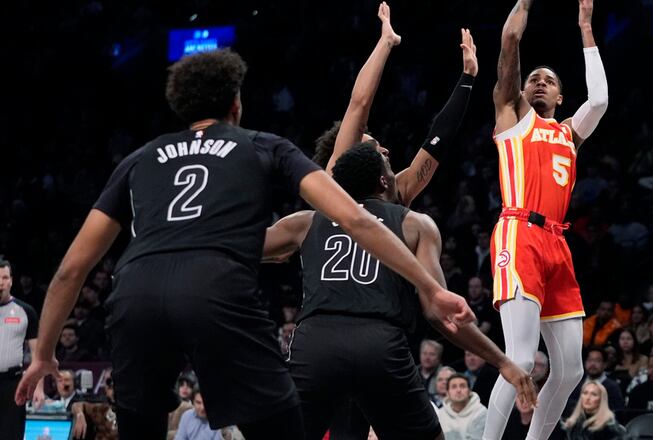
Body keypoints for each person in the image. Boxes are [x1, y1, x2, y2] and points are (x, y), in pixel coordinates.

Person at [14, 48, 473, 440]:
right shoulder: (263, 146)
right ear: (236, 104)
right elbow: (352, 217)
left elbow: (72, 269)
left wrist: (43, 353)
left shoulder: (139, 158)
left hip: (135, 293)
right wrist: (428, 286)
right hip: (222, 292)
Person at [264, 143, 535, 439]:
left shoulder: (305, 221)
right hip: (378, 345)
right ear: (383, 181)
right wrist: (503, 362)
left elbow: (237, 245)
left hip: (315, 345)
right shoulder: (415, 224)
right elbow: (440, 314)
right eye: (390, 169)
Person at [483, 0, 609, 438]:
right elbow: (510, 41)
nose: (538, 82)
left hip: (557, 243)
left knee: (571, 368)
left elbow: (601, 99)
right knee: (519, 359)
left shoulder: (570, 133)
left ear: (560, 96)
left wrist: (586, 27)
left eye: (548, 80)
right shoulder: (513, 117)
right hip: (518, 231)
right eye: (533, 78)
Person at [312, 4, 478, 210]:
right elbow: (359, 105)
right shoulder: (337, 187)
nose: (385, 150)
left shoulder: (396, 191)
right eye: (373, 148)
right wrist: (386, 42)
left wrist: (467, 77)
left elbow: (438, 140)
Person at [0, 258, 45, 440]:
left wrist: (39, 387)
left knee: (12, 435)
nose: (0, 283)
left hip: (13, 384)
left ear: (11, 280)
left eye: (4, 278)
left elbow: (38, 355)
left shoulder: (26, 312)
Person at [437, 374, 488, 440]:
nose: (458, 390)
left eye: (462, 386)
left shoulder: (481, 412)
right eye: (454, 387)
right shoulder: (440, 414)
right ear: (447, 393)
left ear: (469, 391)